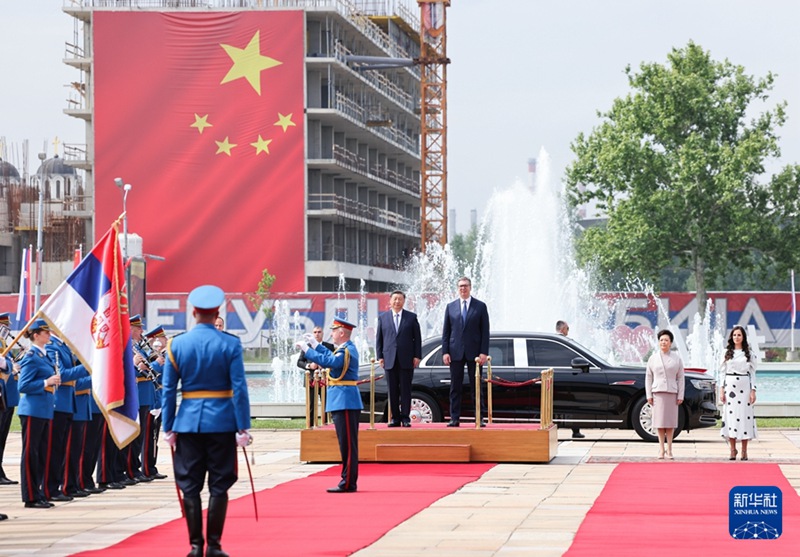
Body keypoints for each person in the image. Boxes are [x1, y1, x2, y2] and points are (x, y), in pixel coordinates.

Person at [162, 285, 251, 557]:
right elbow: (240, 388)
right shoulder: (230, 344)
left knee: (189, 484)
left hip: (188, 423)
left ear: (193, 312)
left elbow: (168, 390)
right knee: (219, 483)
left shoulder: (176, 344)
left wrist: (168, 427)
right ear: (217, 313)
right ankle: (213, 546)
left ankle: (195, 545)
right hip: (222, 423)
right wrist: (242, 426)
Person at [295, 318, 362, 492]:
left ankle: (348, 483)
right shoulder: (344, 349)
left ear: (341, 333)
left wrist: (307, 350)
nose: (331, 333)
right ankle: (348, 481)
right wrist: (316, 345)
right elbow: (330, 356)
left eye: (333, 331)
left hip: (345, 400)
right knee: (345, 444)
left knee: (347, 445)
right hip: (342, 400)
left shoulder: (347, 350)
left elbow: (331, 362)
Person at [17, 319, 61, 508]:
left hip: (44, 409)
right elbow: (24, 385)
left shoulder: (45, 356)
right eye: (45, 333)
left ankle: (39, 492)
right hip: (33, 410)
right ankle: (31, 496)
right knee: (31, 454)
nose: (49, 335)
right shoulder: (31, 356)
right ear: (36, 335)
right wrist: (46, 382)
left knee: (42, 453)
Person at [442, 277, 490, 427]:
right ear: (457, 288)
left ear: (470, 287)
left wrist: (483, 352)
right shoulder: (451, 307)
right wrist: (445, 352)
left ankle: (479, 417)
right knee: (455, 387)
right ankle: (454, 418)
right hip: (455, 352)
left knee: (476, 386)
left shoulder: (480, 306)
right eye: (460, 286)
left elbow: (485, 332)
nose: (463, 289)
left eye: (465, 286)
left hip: (474, 354)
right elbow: (446, 332)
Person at [376, 291, 422, 427]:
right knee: (393, 390)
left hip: (406, 359)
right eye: (395, 299)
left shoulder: (411, 317)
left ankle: (405, 418)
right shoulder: (383, 318)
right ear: (390, 301)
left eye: (400, 299)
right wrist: (380, 356)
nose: (397, 302)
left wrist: (417, 356)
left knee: (406, 390)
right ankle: (395, 418)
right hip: (389, 359)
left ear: (403, 301)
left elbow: (417, 339)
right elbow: (380, 339)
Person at [720, 325, 758, 461]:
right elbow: (722, 372)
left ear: (743, 337)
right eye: (735, 335)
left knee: (744, 418)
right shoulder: (726, 352)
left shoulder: (749, 353)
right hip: (730, 388)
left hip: (744, 387)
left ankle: (744, 450)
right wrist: (721, 389)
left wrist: (753, 390)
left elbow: (753, 373)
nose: (737, 337)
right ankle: (732, 449)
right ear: (731, 337)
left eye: (739, 335)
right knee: (731, 418)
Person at [645, 329, 685, 459]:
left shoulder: (676, 358)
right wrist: (648, 394)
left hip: (672, 393)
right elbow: (648, 377)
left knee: (670, 423)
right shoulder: (653, 358)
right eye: (661, 340)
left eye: (666, 340)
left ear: (671, 342)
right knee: (659, 423)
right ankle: (661, 449)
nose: (663, 342)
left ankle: (670, 449)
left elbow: (681, 378)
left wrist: (680, 395)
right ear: (658, 342)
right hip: (657, 393)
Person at [295, 325, 334, 427]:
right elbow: (299, 362)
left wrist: (325, 364)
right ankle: (310, 426)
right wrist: (309, 366)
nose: (317, 334)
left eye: (319, 332)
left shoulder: (329, 347)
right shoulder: (306, 347)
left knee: (326, 404)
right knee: (311, 405)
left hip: (325, 380)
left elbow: (334, 362)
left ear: (323, 333)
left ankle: (326, 425)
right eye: (315, 332)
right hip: (311, 379)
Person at [555, 320, 585, 439]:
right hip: (564, 378)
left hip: (557, 377)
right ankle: (575, 430)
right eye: (568, 328)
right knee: (571, 403)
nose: (568, 331)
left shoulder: (556, 341)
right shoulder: (562, 342)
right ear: (562, 329)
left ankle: (573, 430)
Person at [0, 313, 20, 485]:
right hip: (2, 395)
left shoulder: (4, 344)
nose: (7, 329)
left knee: (2, 437)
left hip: (8, 396)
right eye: (4, 326)